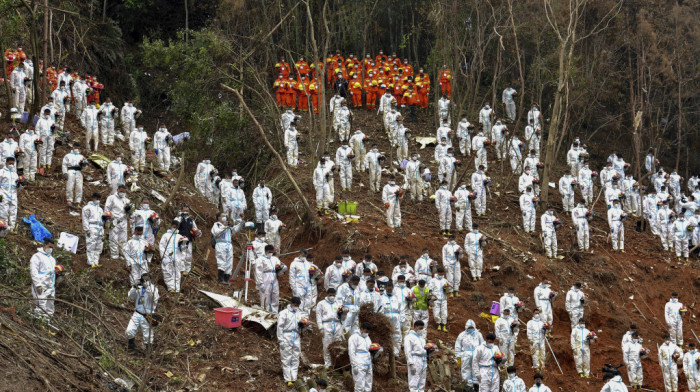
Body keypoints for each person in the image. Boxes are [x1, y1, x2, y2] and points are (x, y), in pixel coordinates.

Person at [126, 272, 159, 352]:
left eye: (147, 279)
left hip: (148, 315)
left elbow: (153, 298)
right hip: (137, 313)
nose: (145, 280)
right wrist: (134, 286)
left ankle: (148, 352)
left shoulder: (154, 289)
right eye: (143, 279)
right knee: (129, 331)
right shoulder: (139, 289)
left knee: (148, 337)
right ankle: (131, 345)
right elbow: (130, 296)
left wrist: (147, 286)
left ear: (150, 279)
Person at [277, 297, 304, 387]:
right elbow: (280, 327)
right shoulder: (284, 313)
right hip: (286, 336)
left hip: (296, 336)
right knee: (286, 357)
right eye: (295, 305)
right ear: (291, 303)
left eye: (298, 305)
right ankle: (288, 379)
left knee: (295, 357)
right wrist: (281, 340)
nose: (296, 307)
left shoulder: (298, 313)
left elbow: (301, 325)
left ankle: (294, 377)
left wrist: (303, 326)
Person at [316, 288, 343, 369]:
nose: (332, 297)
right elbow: (318, 316)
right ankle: (328, 364)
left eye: (333, 295)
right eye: (330, 295)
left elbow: (342, 317)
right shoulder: (321, 304)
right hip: (326, 325)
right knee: (327, 345)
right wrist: (320, 328)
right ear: (327, 294)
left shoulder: (338, 303)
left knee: (338, 344)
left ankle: (337, 363)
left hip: (337, 324)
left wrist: (344, 313)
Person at [212, 212, 242, 284]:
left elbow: (234, 230)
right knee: (221, 260)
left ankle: (226, 279)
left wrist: (241, 222)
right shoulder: (216, 225)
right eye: (222, 216)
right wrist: (224, 226)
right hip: (220, 244)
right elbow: (216, 233)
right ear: (218, 218)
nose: (224, 217)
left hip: (229, 244)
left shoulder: (228, 226)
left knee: (229, 262)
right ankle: (220, 279)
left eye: (225, 216)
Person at [30, 240, 57, 320]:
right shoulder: (37, 256)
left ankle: (47, 323)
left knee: (50, 306)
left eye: (52, 247)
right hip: (41, 285)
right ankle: (38, 323)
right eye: (49, 247)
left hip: (51, 286)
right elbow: (33, 272)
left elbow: (51, 273)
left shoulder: (52, 259)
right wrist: (37, 285)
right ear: (44, 245)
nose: (50, 249)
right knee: (41, 304)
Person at [455, 319, 485, 389]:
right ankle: (467, 386)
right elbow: (458, 346)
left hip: (476, 355)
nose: (470, 329)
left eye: (472, 328)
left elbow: (482, 345)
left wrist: (482, 355)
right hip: (465, 355)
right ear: (466, 327)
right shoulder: (462, 335)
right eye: (469, 328)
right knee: (466, 370)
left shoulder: (478, 335)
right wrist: (458, 357)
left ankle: (476, 385)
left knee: (476, 370)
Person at [158, 220, 185, 293]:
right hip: (168, 257)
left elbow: (183, 249)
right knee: (167, 272)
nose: (175, 228)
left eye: (176, 226)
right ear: (171, 225)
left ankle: (177, 289)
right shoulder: (166, 235)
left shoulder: (180, 237)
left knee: (177, 273)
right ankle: (171, 288)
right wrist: (164, 257)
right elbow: (161, 247)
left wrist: (184, 244)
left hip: (177, 257)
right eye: (174, 226)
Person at [105, 185, 130, 260]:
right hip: (114, 219)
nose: (122, 193)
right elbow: (107, 209)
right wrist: (107, 220)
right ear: (117, 189)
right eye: (121, 191)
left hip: (123, 220)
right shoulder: (111, 198)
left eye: (123, 191)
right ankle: (114, 255)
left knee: (123, 239)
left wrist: (128, 210)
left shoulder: (126, 200)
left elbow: (129, 213)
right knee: (113, 238)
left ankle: (122, 254)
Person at [379, 281, 403, 357]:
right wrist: (382, 320)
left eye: (390, 289)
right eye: (388, 289)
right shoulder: (381, 298)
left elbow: (401, 309)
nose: (389, 290)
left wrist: (402, 319)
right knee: (386, 335)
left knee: (397, 335)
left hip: (396, 319)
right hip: (386, 319)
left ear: (392, 288)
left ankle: (396, 353)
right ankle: (386, 353)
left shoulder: (396, 298)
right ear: (385, 288)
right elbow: (380, 310)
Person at [348, 322, 374, 392]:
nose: (367, 333)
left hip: (368, 364)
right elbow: (351, 352)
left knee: (368, 386)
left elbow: (370, 349)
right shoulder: (354, 337)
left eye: (368, 332)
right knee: (359, 387)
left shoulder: (367, 338)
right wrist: (354, 365)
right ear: (361, 329)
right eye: (366, 331)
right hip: (359, 364)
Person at [257, 245, 283, 313]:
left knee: (275, 294)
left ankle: (274, 311)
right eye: (270, 252)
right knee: (266, 294)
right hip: (265, 276)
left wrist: (282, 267)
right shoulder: (260, 259)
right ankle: (265, 310)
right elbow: (258, 271)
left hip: (274, 276)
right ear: (266, 251)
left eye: (272, 252)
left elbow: (280, 265)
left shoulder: (274, 259)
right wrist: (260, 283)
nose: (271, 253)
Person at [82, 192, 105, 268]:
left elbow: (102, 219)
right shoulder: (87, 208)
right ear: (93, 198)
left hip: (99, 227)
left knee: (99, 245)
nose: (98, 200)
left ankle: (96, 261)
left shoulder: (100, 209)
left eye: (99, 199)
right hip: (91, 226)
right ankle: (90, 262)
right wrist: (86, 229)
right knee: (91, 244)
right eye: (96, 198)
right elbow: (85, 219)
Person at [404, 320, 428, 392]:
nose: (421, 330)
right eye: (420, 328)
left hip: (423, 360)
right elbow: (407, 351)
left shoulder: (421, 339)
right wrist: (410, 363)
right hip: (415, 360)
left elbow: (423, 350)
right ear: (416, 327)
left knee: (422, 382)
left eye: (422, 329)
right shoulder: (409, 337)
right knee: (414, 381)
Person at [62, 143, 86, 211]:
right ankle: (69, 200)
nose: (76, 148)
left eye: (78, 147)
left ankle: (77, 201)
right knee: (69, 186)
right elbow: (64, 165)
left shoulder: (81, 156)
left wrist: (84, 164)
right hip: (71, 171)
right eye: (75, 146)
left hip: (78, 171)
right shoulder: (68, 156)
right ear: (73, 147)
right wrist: (65, 173)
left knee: (79, 187)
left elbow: (85, 166)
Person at [172, 205, 197, 274]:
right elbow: (174, 226)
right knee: (181, 254)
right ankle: (181, 269)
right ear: (181, 210)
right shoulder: (178, 218)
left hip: (189, 239)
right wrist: (180, 218)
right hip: (180, 240)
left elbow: (195, 229)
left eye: (187, 211)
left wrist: (197, 233)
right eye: (184, 210)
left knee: (189, 255)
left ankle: (187, 270)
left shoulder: (191, 220)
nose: (185, 212)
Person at [0, 157, 20, 229]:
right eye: (10, 163)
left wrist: (21, 184)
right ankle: (3, 228)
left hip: (13, 195)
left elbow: (18, 187)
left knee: (13, 212)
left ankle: (12, 228)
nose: (11, 165)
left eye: (13, 164)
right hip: (3, 195)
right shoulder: (2, 172)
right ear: (6, 163)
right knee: (3, 211)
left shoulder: (15, 174)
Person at [428, 267, 449, 331]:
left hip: (443, 298)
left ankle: (444, 325)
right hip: (436, 298)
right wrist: (430, 299)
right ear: (437, 273)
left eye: (442, 273)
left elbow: (448, 290)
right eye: (440, 273)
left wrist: (446, 289)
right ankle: (438, 324)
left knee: (444, 312)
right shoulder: (433, 280)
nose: (441, 274)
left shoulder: (445, 280)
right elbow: (430, 289)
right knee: (436, 312)